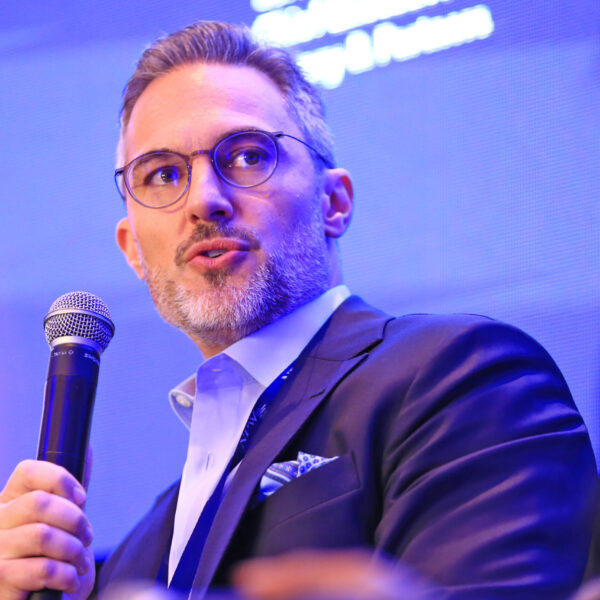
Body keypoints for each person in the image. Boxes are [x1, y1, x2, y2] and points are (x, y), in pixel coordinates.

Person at [0, 20, 597, 600]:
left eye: (247, 155)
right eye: (162, 174)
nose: (204, 199)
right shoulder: (136, 555)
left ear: (333, 202)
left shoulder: (460, 376)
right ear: (133, 249)